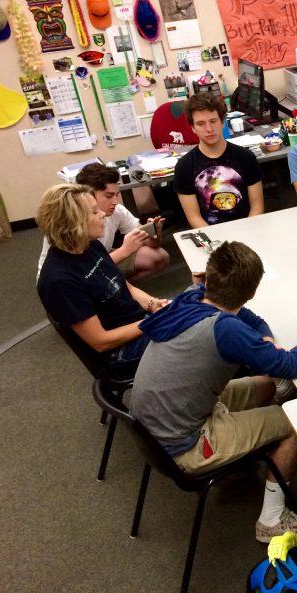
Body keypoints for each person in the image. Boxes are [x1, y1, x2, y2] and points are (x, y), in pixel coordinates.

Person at [131, 241, 297, 542]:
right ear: (252, 292)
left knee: (267, 385)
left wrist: (265, 338)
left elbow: (252, 320)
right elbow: (292, 365)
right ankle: (272, 519)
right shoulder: (225, 330)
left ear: (209, 276)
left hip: (157, 423)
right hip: (185, 444)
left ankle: (259, 448)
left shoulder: (194, 296)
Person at [36, 184, 168, 379]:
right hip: (119, 354)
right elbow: (101, 341)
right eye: (94, 212)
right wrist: (153, 321)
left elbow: (124, 286)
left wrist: (153, 304)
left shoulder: (90, 246)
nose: (103, 215)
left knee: (201, 304)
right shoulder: (59, 281)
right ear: (73, 222)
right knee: (202, 335)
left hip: (138, 325)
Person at [37, 163, 169, 283]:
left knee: (159, 256)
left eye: (117, 194)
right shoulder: (70, 222)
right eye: (108, 196)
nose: (115, 201)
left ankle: (119, 292)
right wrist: (125, 250)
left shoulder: (117, 211)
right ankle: (112, 293)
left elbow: (153, 244)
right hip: (71, 279)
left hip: (99, 261)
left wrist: (155, 233)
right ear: (87, 194)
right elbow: (84, 270)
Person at [174, 92, 264, 228]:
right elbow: (194, 217)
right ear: (192, 128)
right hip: (211, 238)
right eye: (200, 124)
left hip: (248, 230)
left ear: (222, 122)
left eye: (213, 121)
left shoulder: (246, 157)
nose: (209, 129)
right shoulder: (184, 166)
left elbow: (257, 206)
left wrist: (249, 233)